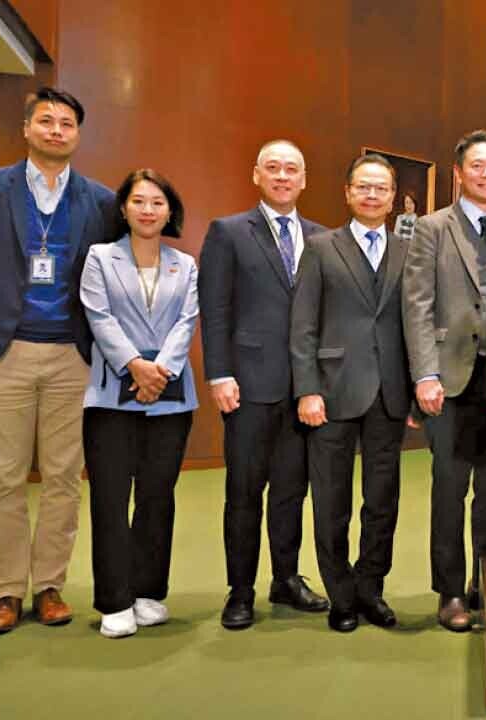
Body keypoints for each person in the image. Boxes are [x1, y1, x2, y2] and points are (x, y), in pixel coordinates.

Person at [0, 87, 116, 634]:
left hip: (73, 355)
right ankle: (5, 590)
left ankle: (49, 586)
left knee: (64, 477)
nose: (57, 130)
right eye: (46, 120)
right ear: (26, 128)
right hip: (3, 353)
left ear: (78, 135)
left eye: (67, 123)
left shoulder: (99, 201)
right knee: (3, 478)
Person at [199, 139, 329, 630]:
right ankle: (241, 590)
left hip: (303, 390)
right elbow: (215, 309)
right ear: (256, 175)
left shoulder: (321, 238)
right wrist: (219, 372)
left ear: (304, 180)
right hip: (248, 387)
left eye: (291, 169)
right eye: (272, 168)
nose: (282, 176)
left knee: (292, 493)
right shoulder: (229, 232)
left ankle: (286, 578)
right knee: (244, 493)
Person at [402, 129, 486, 632]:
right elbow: (416, 304)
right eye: (478, 165)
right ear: (458, 174)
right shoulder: (431, 228)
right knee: (450, 490)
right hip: (450, 380)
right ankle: (451, 590)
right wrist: (424, 374)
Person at [291, 154, 412, 633]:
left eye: (381, 188)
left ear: (393, 197)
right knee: (331, 501)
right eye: (363, 186)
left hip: (389, 392)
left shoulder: (408, 251)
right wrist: (307, 389)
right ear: (347, 192)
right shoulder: (321, 248)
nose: (372, 195)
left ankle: (370, 589)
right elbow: (303, 326)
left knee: (382, 500)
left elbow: (412, 323)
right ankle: (341, 595)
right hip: (332, 391)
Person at [79, 169, 197, 638]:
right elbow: (99, 317)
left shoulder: (185, 264)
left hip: (170, 398)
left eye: (157, 202)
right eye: (139, 201)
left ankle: (148, 592)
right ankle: (114, 600)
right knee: (110, 498)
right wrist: (134, 366)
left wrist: (158, 372)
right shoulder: (99, 258)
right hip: (111, 394)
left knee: (156, 496)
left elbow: (186, 321)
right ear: (123, 208)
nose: (148, 210)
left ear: (170, 212)